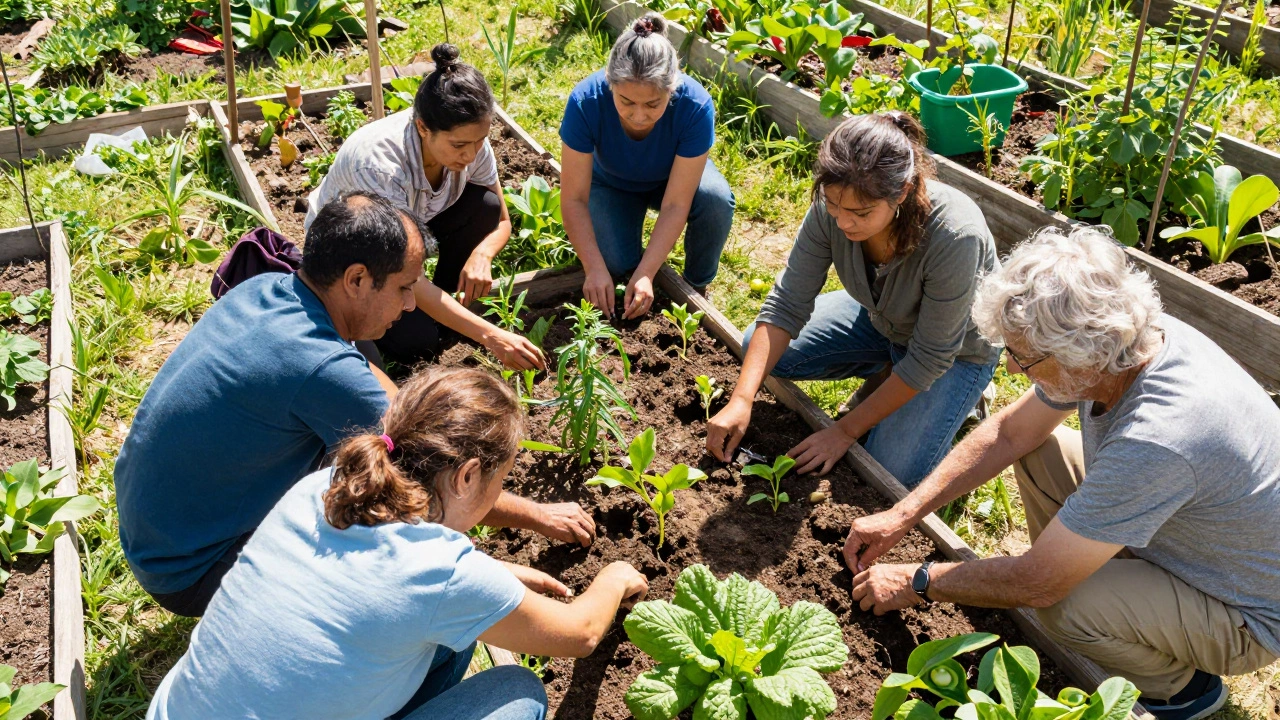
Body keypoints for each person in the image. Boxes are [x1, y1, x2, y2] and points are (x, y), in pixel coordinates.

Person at [845, 226, 1280, 720]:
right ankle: (1092, 574)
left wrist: (918, 580)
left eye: (1023, 357)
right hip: (1188, 538)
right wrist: (904, 513)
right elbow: (1011, 433)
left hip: (1241, 610)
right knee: (1040, 451)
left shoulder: (1157, 437)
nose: (1010, 369)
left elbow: (1038, 587)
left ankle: (1182, 689)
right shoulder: (1126, 340)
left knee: (1062, 605)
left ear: (1082, 353)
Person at [115, 192, 595, 619]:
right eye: (405, 287)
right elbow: (437, 476)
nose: (410, 305)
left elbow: (365, 377)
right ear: (357, 279)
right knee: (396, 547)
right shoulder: (319, 369)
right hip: (195, 568)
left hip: (157, 529)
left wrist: (391, 405)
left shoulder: (267, 288)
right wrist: (536, 516)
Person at [146, 367, 649, 720]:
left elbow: (371, 584)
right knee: (517, 693)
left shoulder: (322, 488)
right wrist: (614, 576)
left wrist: (493, 575)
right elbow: (580, 634)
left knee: (454, 634)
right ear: (468, 475)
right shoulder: (442, 574)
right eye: (502, 478)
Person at [706, 112, 1001, 488]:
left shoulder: (956, 237)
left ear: (904, 192)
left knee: (889, 471)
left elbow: (930, 357)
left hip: (954, 354)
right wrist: (742, 398)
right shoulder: (834, 210)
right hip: (882, 319)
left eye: (860, 213)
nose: (843, 222)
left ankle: (968, 395)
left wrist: (842, 431)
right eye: (832, 204)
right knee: (757, 348)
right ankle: (885, 371)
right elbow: (786, 304)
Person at [305, 43, 541, 366]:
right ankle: (434, 318)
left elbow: (500, 219)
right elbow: (401, 266)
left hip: (411, 227)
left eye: (480, 141)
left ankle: (446, 305)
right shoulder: (380, 168)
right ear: (422, 128)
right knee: (417, 342)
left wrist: (482, 255)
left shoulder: (470, 146)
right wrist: (490, 335)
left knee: (482, 206)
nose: (471, 155)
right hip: (359, 253)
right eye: (459, 145)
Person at [559, 12, 735, 320]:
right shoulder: (585, 102)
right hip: (611, 183)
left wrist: (647, 272)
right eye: (626, 102)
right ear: (610, 84)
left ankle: (696, 287)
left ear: (672, 89)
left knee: (715, 200)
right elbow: (573, 198)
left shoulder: (695, 106)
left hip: (672, 179)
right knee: (614, 264)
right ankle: (628, 261)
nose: (638, 115)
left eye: (653, 104)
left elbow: (677, 203)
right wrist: (594, 268)